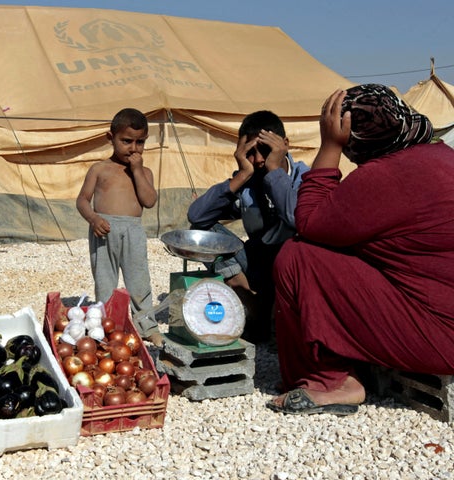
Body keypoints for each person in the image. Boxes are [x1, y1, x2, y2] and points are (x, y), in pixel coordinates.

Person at [267, 84, 454, 416]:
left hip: (442, 337)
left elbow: (308, 222)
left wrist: (328, 147)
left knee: (297, 257)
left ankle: (331, 382)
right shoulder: (442, 156)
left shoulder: (386, 176)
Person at [187, 110, 309, 343]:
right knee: (201, 234)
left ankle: (277, 316)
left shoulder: (305, 179)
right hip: (257, 266)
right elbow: (198, 217)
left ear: (285, 145)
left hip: (293, 271)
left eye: (265, 150)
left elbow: (297, 218)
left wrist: (275, 173)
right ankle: (254, 304)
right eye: (250, 153)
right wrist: (242, 175)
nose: (259, 160)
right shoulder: (248, 182)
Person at [76, 108, 162, 346]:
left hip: (133, 231)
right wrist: (93, 219)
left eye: (140, 142)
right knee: (105, 281)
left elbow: (149, 201)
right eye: (126, 141)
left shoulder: (144, 172)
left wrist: (136, 171)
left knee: (139, 280)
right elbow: (82, 200)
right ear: (110, 138)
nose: (133, 148)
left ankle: (147, 325)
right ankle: (105, 325)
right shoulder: (99, 169)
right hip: (103, 230)